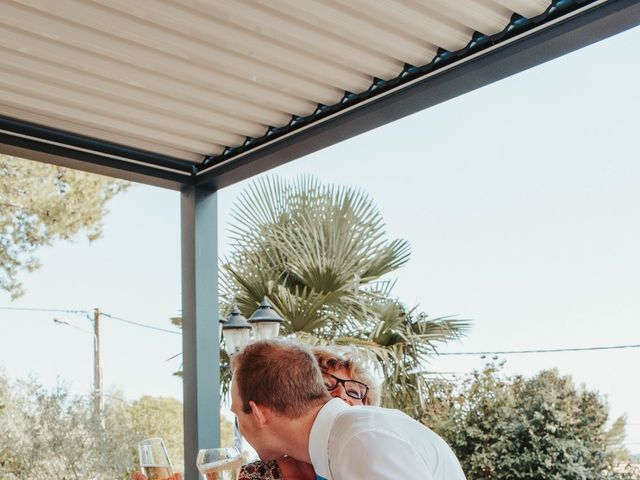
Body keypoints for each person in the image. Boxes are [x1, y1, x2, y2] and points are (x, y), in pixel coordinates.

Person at [231, 339, 466, 480]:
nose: (240, 427)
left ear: (259, 413)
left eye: (237, 414)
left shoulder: (361, 439)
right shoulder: (338, 444)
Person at [239, 347, 380, 480]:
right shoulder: (252, 475)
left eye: (354, 392)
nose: (342, 395)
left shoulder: (371, 467)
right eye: (326, 386)